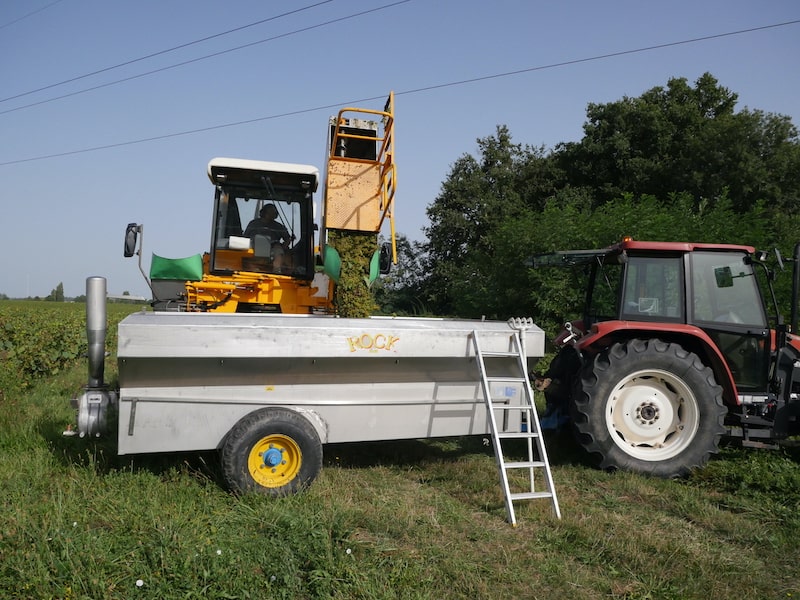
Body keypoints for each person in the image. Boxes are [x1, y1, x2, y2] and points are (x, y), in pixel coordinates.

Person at [243, 204, 293, 271]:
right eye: (271, 212)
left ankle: (277, 270)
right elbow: (244, 237)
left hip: (272, 249)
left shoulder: (279, 226)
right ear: (264, 212)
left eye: (274, 213)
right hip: (254, 247)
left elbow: (288, 239)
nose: (273, 214)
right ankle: (254, 271)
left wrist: (282, 247)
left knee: (278, 250)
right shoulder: (253, 223)